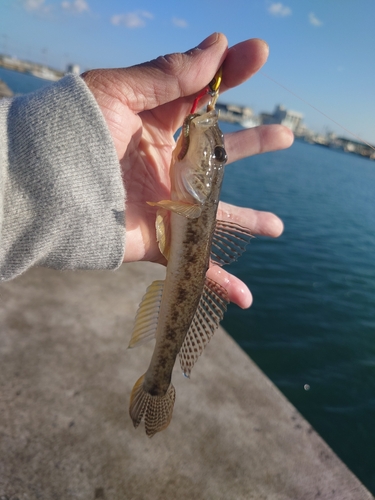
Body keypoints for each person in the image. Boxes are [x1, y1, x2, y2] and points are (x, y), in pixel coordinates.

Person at [0, 33, 293, 308]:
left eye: (217, 155)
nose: (214, 151)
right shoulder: (191, 186)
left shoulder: (193, 198)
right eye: (218, 153)